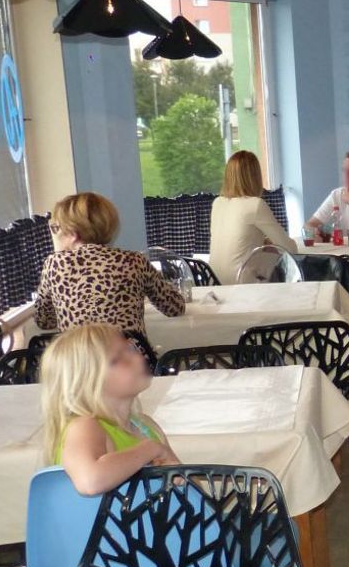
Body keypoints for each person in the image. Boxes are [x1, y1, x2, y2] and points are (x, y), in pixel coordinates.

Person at [40, 323, 179, 496]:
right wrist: (150, 449)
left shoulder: (146, 425)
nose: (138, 358)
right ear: (88, 380)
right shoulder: (85, 426)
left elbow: (191, 489)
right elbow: (89, 481)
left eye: (131, 348)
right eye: (117, 359)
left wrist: (177, 474)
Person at [34, 192, 185, 334]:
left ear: (73, 233)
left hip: (79, 353)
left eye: (56, 228)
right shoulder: (134, 262)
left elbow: (44, 321)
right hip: (127, 352)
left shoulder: (54, 264)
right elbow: (175, 308)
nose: (54, 234)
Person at [210, 150, 298, 284]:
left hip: (214, 282)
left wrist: (264, 242)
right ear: (254, 177)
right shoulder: (255, 205)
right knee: (280, 266)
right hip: (241, 283)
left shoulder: (217, 203)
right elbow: (289, 249)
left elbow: (237, 240)